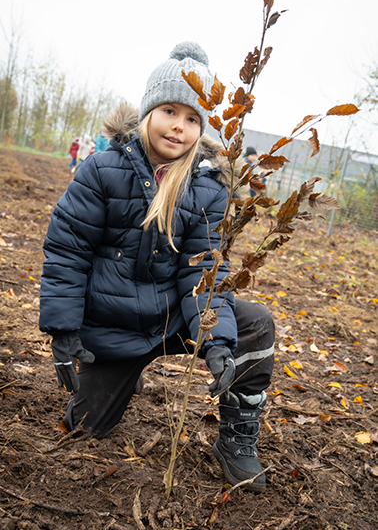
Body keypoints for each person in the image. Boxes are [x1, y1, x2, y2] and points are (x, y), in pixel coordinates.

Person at [39, 42, 275, 492]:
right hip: (112, 328)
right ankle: (116, 381)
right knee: (87, 427)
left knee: (255, 324)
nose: (178, 127)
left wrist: (217, 338)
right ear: (149, 111)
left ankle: (237, 439)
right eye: (170, 110)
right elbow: (68, 251)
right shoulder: (101, 170)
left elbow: (202, 271)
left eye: (191, 118)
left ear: (201, 127)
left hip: (171, 319)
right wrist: (63, 328)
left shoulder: (206, 189)